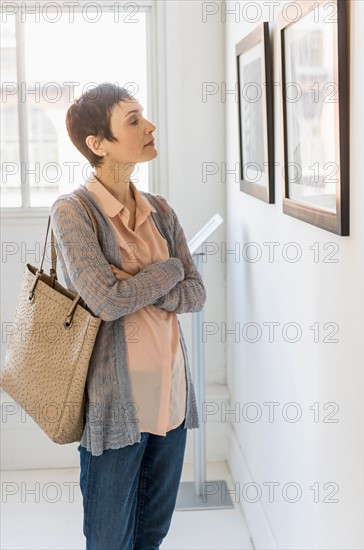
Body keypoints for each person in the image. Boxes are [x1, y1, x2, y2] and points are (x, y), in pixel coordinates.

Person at [50, 82, 207, 550]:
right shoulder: (73, 211)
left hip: (171, 401)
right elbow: (105, 302)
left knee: (151, 534)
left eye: (144, 116)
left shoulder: (161, 210)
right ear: (97, 144)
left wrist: (138, 280)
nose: (149, 126)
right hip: (116, 405)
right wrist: (167, 271)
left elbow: (196, 294)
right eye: (133, 120)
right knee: (108, 540)